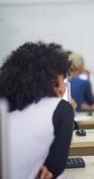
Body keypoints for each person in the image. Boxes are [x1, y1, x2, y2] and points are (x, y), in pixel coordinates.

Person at [0, 42, 74, 179]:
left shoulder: (4, 106)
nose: (64, 88)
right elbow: (54, 169)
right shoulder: (61, 109)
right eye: (63, 79)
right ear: (51, 79)